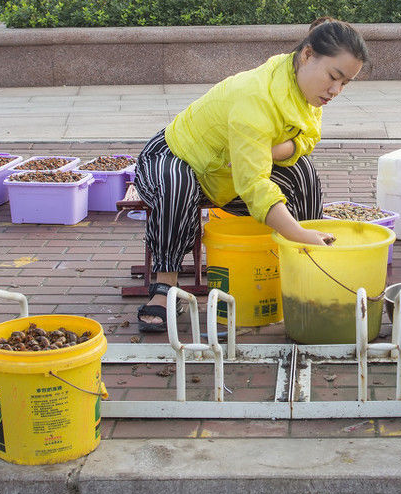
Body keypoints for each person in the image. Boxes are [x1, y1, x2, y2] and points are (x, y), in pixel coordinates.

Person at [133, 18, 369, 331]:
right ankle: (165, 288)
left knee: (302, 172)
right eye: (334, 77)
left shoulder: (305, 86)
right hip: (174, 158)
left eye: (345, 83)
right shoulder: (256, 96)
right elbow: (254, 184)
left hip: (226, 175)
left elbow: (310, 137)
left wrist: (267, 153)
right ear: (308, 55)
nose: (336, 90)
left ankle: (307, 268)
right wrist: (293, 231)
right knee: (178, 182)